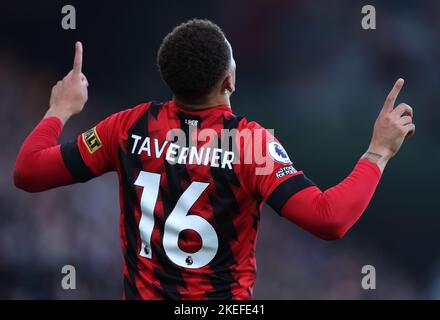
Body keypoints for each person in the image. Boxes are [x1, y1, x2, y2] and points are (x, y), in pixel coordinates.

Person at [14, 19, 415, 299]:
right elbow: (330, 218)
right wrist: (378, 150)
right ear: (229, 81)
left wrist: (60, 110)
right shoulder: (248, 142)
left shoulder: (128, 126)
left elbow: (28, 172)